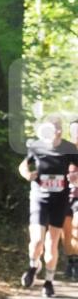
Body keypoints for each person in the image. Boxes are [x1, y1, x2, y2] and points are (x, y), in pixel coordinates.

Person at [18, 116, 78, 297]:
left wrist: (75, 178)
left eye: (50, 130)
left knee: (52, 244)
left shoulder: (68, 148)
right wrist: (27, 174)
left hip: (59, 200)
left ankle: (49, 282)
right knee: (37, 241)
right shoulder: (36, 146)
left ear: (59, 131)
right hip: (39, 197)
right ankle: (33, 265)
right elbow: (23, 165)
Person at [64, 120, 78, 281]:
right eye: (74, 130)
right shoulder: (64, 151)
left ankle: (76, 262)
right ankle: (70, 261)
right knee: (65, 231)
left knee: (76, 226)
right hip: (63, 195)